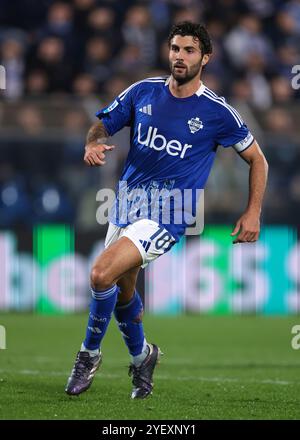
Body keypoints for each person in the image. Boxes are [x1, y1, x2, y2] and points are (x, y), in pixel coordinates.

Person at [65, 21, 268, 399]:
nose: (180, 56)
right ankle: (143, 356)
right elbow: (101, 125)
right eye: (175, 48)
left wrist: (253, 211)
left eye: (189, 50)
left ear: (205, 58)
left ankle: (88, 355)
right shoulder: (143, 91)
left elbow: (259, 160)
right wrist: (92, 144)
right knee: (122, 291)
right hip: (126, 205)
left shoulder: (217, 112)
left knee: (99, 274)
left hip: (170, 212)